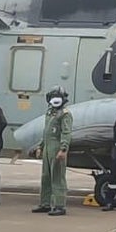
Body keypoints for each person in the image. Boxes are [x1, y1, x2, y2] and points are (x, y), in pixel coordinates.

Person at [31, 85, 72, 216]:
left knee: (57, 177)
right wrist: (40, 146)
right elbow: (46, 132)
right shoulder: (50, 112)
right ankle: (45, 203)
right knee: (46, 177)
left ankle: (60, 205)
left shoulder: (65, 114)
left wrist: (63, 149)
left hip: (57, 147)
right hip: (48, 147)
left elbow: (66, 132)